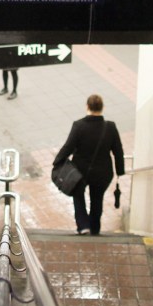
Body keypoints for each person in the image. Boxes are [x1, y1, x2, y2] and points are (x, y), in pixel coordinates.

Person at [52, 94, 125, 235]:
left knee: (78, 196)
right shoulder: (110, 127)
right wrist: (120, 170)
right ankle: (95, 229)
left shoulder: (79, 126)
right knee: (97, 199)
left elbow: (68, 147)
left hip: (80, 172)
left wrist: (57, 161)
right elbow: (118, 150)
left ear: (87, 106)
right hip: (103, 173)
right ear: (102, 108)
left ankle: (83, 225)